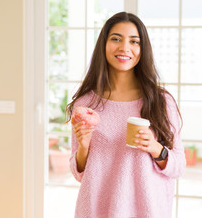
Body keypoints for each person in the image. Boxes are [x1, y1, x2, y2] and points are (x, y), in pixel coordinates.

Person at [66, 11, 186, 218]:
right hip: (96, 210)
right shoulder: (85, 103)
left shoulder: (161, 102)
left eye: (134, 41)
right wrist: (84, 145)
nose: (124, 48)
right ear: (103, 45)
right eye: (116, 39)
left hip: (146, 211)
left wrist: (156, 148)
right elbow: (78, 173)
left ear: (142, 49)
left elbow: (178, 166)